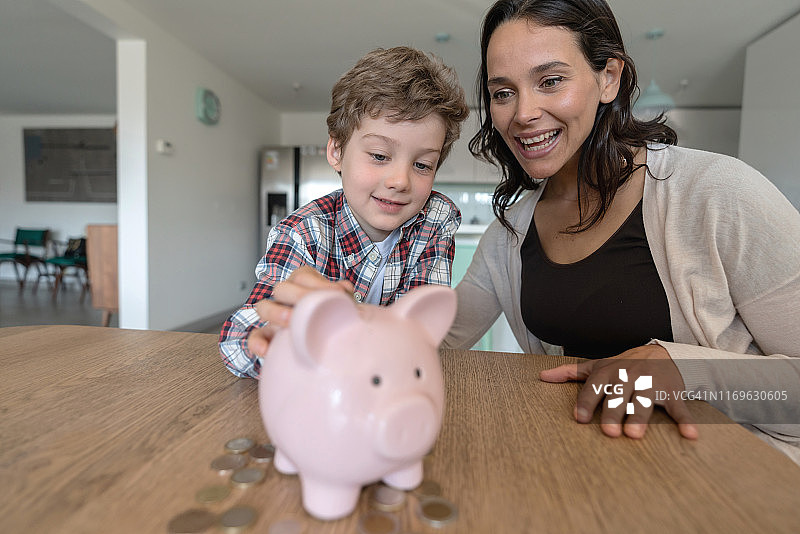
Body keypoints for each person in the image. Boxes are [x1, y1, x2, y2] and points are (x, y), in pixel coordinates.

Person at [254, 0, 800, 462]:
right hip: (583, 471)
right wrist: (332, 323)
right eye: (503, 91)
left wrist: (684, 370)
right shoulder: (510, 235)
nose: (523, 113)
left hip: (733, 482)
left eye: (551, 81)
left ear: (608, 78)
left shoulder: (718, 194)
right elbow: (430, 338)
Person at [219, 46, 470, 379]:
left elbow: (418, 333)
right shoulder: (303, 232)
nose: (399, 181)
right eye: (380, 156)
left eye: (423, 164)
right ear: (336, 151)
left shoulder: (436, 219)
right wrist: (280, 337)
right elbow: (236, 343)